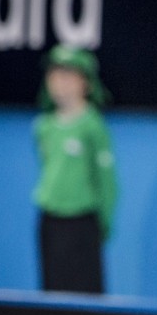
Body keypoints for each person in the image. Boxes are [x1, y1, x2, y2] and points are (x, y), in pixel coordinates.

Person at [33, 44, 117, 294]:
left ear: (86, 82)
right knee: (52, 287)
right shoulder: (43, 127)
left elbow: (106, 181)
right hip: (50, 220)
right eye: (56, 74)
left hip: (83, 223)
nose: (62, 82)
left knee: (85, 290)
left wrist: (103, 223)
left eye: (70, 75)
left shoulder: (93, 126)